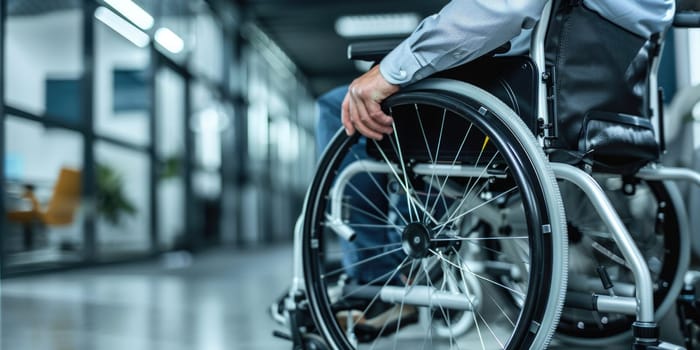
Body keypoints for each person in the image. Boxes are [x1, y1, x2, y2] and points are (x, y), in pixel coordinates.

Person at [315, 0, 676, 330]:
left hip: (527, 107)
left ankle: (379, 280)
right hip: (605, 118)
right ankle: (411, 258)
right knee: (426, 113)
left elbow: (498, 8)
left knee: (341, 105)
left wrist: (392, 69)